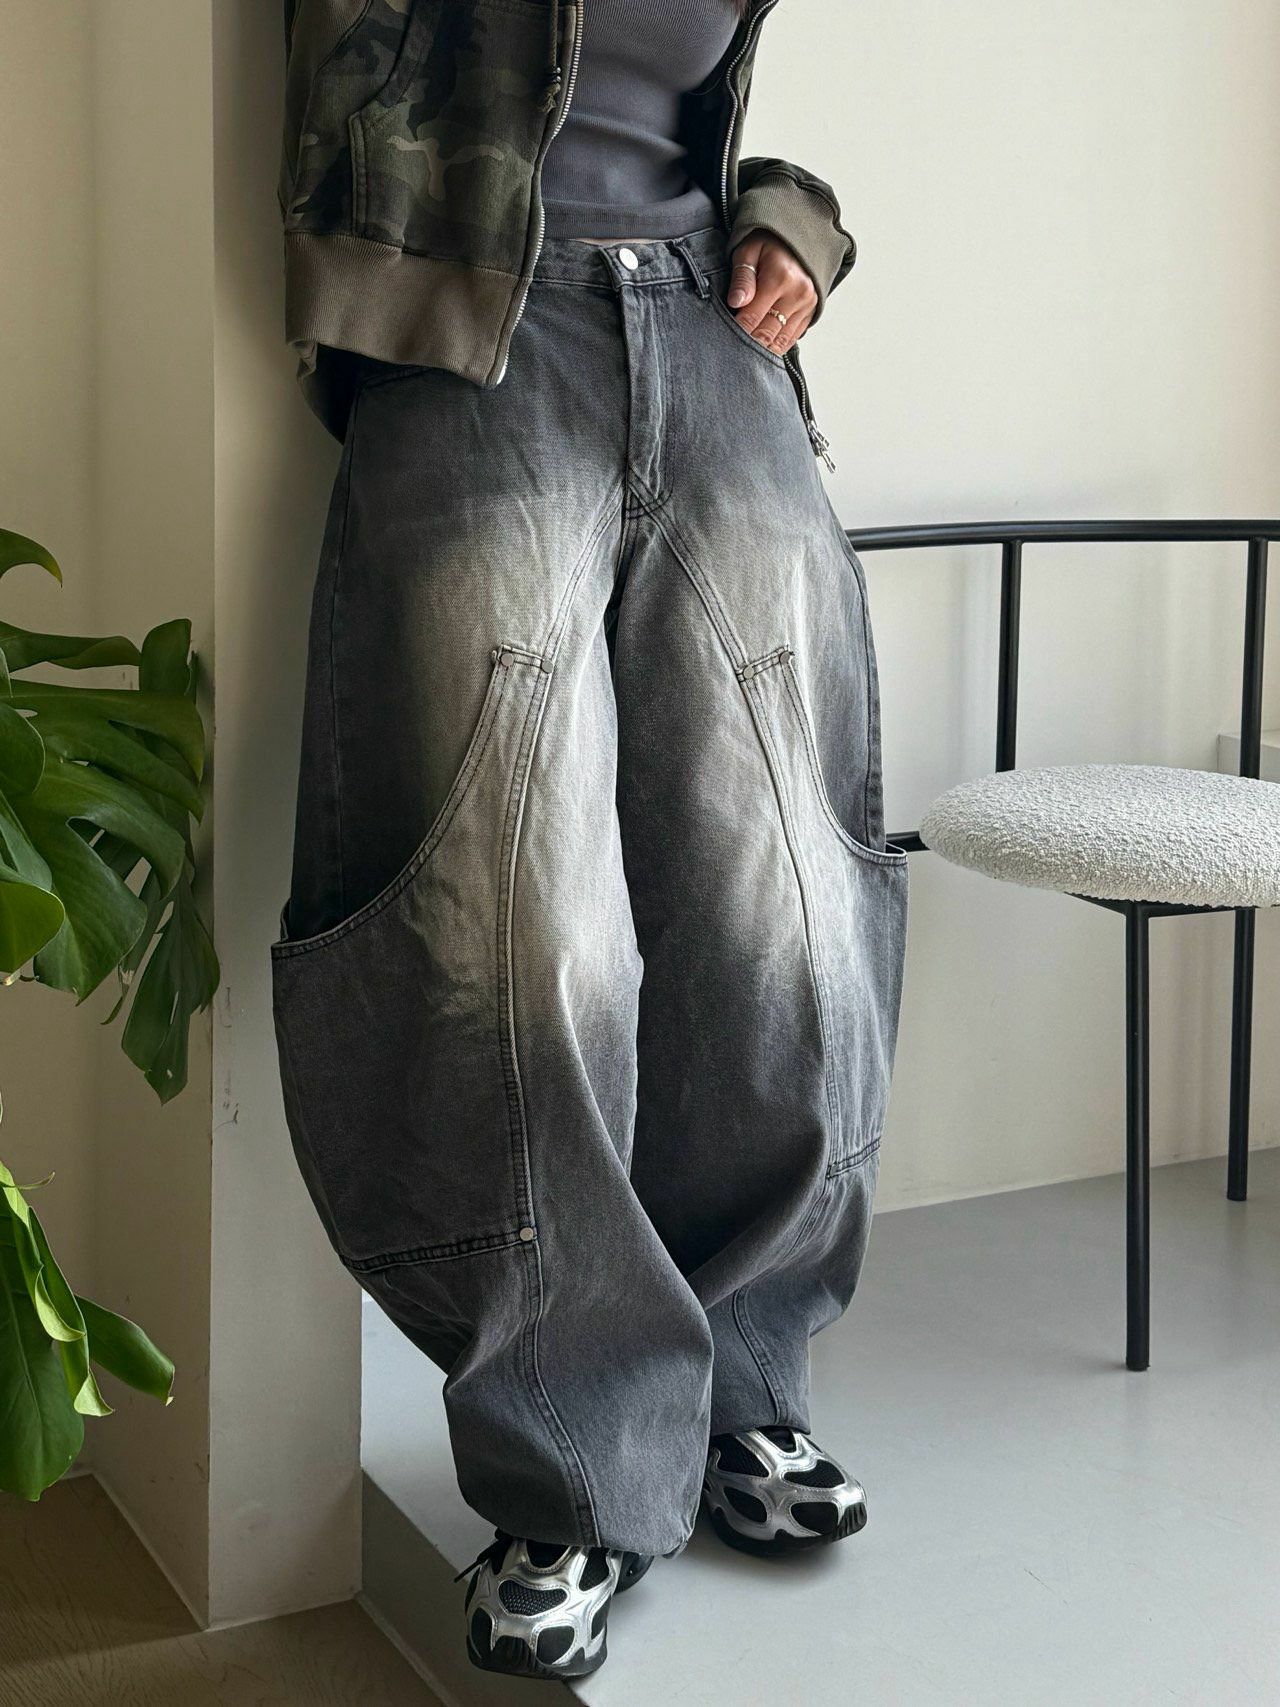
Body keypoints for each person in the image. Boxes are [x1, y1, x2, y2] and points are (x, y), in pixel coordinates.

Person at [272, 0, 908, 1682]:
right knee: (516, 919)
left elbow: (681, 116)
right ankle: (571, 1461)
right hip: (478, 339)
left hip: (711, 334)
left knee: (779, 901)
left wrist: (794, 225)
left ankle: (744, 1390)